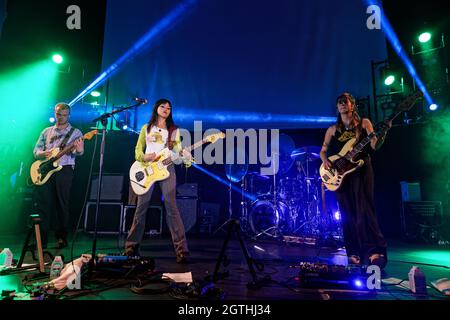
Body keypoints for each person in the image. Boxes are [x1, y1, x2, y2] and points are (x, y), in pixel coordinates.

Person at [320, 92, 390, 268]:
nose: (342, 104)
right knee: (347, 213)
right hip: (341, 175)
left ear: (352, 104)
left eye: (345, 101)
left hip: (361, 170)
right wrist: (325, 160)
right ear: (337, 107)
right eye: (339, 102)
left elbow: (374, 146)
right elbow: (323, 150)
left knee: (365, 210)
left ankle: (375, 252)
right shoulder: (332, 130)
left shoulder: (364, 123)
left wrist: (384, 131)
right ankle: (353, 253)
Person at [125, 98, 192, 264]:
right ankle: (131, 246)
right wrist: (143, 156)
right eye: (163, 106)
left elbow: (177, 151)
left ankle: (181, 250)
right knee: (141, 207)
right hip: (147, 169)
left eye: (169, 108)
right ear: (156, 108)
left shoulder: (173, 130)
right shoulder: (146, 128)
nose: (166, 109)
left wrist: (187, 159)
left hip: (167, 169)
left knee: (172, 207)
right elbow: (137, 150)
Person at [33, 102, 84, 249]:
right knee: (43, 204)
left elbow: (79, 152)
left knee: (62, 204)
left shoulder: (76, 132)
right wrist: (43, 153)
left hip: (64, 169)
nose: (61, 117)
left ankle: (61, 237)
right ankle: (40, 239)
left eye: (64, 115)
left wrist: (79, 149)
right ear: (54, 113)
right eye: (58, 114)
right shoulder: (46, 131)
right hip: (45, 169)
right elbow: (36, 151)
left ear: (69, 115)